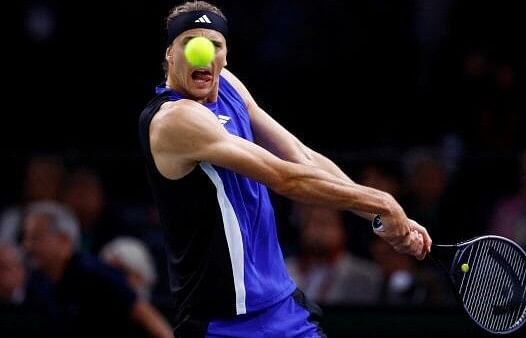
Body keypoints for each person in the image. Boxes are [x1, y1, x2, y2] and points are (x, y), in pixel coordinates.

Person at [138, 1, 431, 337]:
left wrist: (386, 217)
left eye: (214, 45)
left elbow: (301, 157)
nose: (203, 54)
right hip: (222, 323)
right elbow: (283, 177)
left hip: (282, 306)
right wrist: (382, 202)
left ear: (225, 56)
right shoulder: (174, 120)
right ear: (169, 55)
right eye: (189, 43)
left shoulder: (229, 86)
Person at [21, 201, 173, 338]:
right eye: (26, 238)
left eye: (36, 238)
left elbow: (147, 316)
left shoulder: (95, 275)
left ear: (64, 239)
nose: (27, 246)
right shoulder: (36, 282)